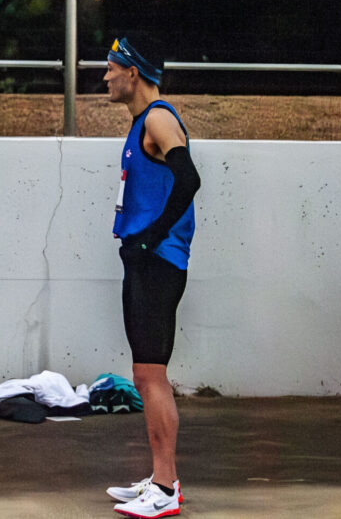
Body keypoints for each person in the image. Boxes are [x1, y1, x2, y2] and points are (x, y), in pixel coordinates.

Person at [102, 37, 201, 518]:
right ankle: (162, 478)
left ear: (133, 72)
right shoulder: (142, 122)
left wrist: (151, 238)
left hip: (157, 261)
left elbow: (189, 179)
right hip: (146, 259)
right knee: (146, 373)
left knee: (151, 375)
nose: (105, 77)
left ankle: (165, 488)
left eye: (111, 68)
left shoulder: (158, 119)